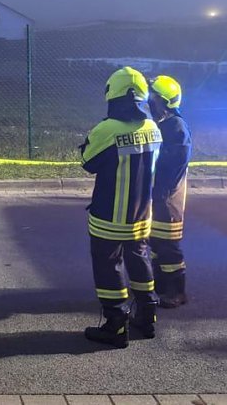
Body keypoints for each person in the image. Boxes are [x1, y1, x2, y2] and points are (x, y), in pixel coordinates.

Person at [80, 67, 163, 347]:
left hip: (109, 217)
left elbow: (88, 162)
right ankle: (147, 317)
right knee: (140, 260)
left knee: (108, 266)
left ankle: (115, 326)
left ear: (112, 94)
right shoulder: (152, 127)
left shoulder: (107, 129)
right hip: (141, 216)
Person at [148, 75, 192, 308]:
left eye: (153, 97)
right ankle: (161, 286)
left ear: (163, 101)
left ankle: (178, 292)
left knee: (168, 245)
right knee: (156, 243)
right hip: (159, 196)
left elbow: (172, 162)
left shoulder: (176, 127)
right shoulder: (165, 124)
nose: (150, 101)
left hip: (168, 198)